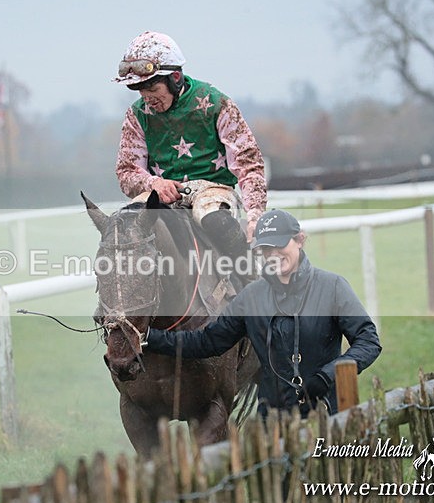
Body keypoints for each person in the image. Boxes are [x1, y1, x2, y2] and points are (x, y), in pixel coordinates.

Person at [142, 209, 381, 416]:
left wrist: (327, 376)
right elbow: (208, 342)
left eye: (279, 245)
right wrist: (149, 337)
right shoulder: (251, 297)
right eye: (266, 248)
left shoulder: (333, 287)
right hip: (273, 421)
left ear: (299, 239)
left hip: (329, 412)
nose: (273, 254)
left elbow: (368, 342)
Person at [113, 31, 267, 259]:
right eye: (143, 93)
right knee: (124, 223)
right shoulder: (136, 115)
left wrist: (254, 216)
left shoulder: (217, 103)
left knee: (214, 220)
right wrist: (154, 183)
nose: (148, 100)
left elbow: (249, 165)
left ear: (175, 78)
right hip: (160, 193)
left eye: (154, 90)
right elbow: (126, 172)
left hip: (214, 191)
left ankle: (249, 276)